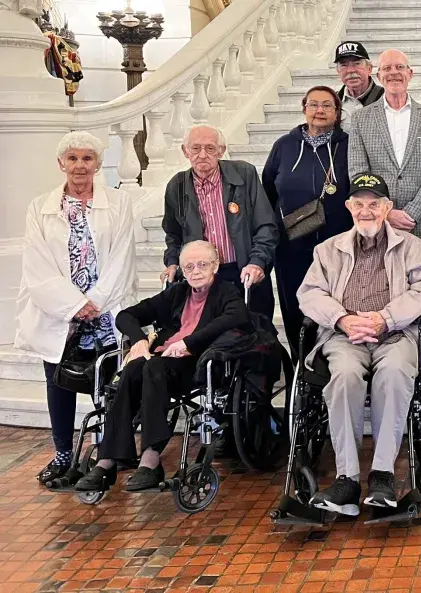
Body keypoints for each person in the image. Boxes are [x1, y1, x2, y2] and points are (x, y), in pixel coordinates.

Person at [298, 173, 421, 514]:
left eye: (374, 204)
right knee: (344, 377)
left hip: (395, 334)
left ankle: (382, 474)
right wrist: (342, 319)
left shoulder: (412, 247)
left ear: (387, 207)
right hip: (344, 336)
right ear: (349, 207)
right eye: (359, 204)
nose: (367, 211)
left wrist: (385, 318)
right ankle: (347, 480)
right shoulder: (327, 250)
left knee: (394, 373)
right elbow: (310, 293)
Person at [74, 241, 254, 492]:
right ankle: (108, 459)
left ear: (215, 266)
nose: (196, 271)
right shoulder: (177, 293)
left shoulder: (226, 292)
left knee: (151, 368)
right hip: (161, 362)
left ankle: (150, 458)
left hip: (197, 363)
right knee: (132, 369)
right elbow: (126, 316)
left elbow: (236, 317)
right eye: (189, 267)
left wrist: (189, 342)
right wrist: (139, 340)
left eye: (203, 264)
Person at [16, 131, 137, 486]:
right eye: (72, 158)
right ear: (61, 164)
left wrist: (95, 301)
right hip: (60, 313)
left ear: (98, 164)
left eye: (87, 158)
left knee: (109, 383)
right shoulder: (40, 207)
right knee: (59, 383)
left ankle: (106, 453)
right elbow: (37, 264)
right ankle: (63, 455)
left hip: (105, 307)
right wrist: (73, 305)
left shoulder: (119, 203)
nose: (80, 165)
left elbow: (122, 256)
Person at [263, 85, 352, 354]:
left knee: (337, 304)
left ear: (337, 112)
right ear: (304, 109)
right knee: (295, 304)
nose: (319, 110)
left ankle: (332, 361)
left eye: (327, 105)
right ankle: (300, 362)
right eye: (313, 104)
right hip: (292, 245)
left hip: (339, 243)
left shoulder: (349, 145)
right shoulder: (284, 146)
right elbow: (268, 190)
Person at [160, 124, 279, 322]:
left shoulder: (244, 174)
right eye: (195, 148)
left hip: (243, 271)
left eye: (210, 148)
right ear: (185, 151)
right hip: (203, 275)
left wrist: (257, 262)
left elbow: (266, 225)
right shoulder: (176, 186)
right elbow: (173, 235)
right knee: (208, 332)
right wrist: (172, 262)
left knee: (255, 332)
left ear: (221, 151)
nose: (202, 155)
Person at [348, 49, 421, 244]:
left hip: (419, 224)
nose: (394, 72)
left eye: (400, 67)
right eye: (387, 68)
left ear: (410, 73)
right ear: (378, 76)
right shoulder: (361, 119)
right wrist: (386, 212)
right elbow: (358, 173)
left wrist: (412, 212)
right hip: (377, 223)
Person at [334, 41, 384, 134]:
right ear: (338, 71)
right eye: (344, 65)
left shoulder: (385, 98)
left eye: (357, 63)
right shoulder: (333, 102)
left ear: (369, 69)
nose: (350, 70)